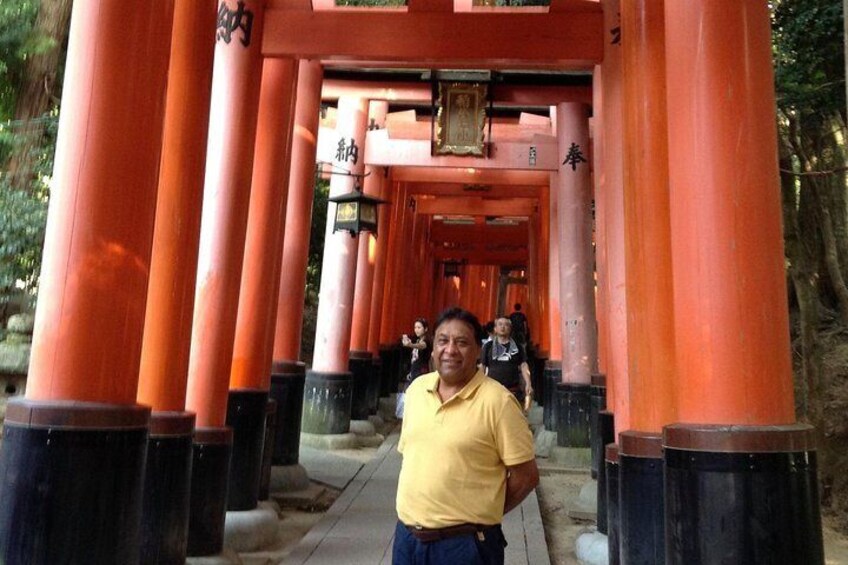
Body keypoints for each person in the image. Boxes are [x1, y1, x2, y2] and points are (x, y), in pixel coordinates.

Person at [394, 307, 539, 565]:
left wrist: (484, 509)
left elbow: (526, 476)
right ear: (433, 346)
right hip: (407, 540)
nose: (450, 350)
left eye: (462, 342)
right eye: (443, 341)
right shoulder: (417, 390)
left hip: (465, 545)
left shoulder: (499, 402)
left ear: (477, 350)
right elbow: (413, 457)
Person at [481, 317, 533, 404]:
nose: (503, 327)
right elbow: (483, 366)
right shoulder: (488, 346)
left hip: (512, 389)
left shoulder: (518, 346)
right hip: (492, 389)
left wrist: (528, 383)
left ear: (510, 328)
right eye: (500, 324)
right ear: (495, 329)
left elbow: (524, 365)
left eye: (506, 325)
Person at [401, 317, 432, 383]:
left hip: (422, 371)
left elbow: (421, 346)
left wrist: (410, 344)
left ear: (425, 329)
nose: (416, 330)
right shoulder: (418, 340)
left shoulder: (426, 341)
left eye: (419, 327)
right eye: (415, 327)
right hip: (414, 370)